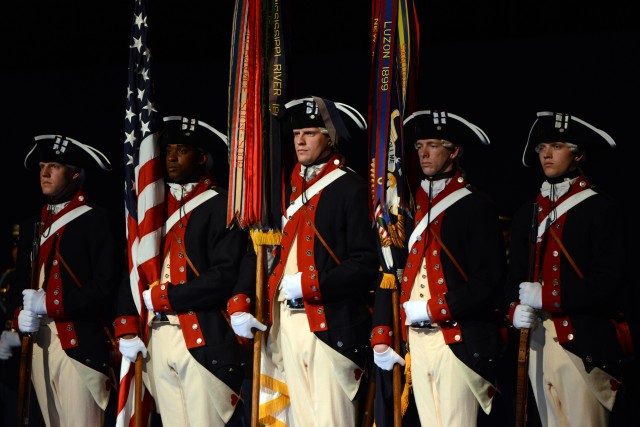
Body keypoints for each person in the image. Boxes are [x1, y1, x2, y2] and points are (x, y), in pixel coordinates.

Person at [227, 96, 379, 426]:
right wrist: (241, 301)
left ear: (331, 137)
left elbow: (365, 264)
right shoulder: (281, 190)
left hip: (330, 325)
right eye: (297, 133)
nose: (300, 140)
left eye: (310, 132)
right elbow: (258, 251)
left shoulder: (351, 188)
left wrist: (310, 284)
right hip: (283, 323)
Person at [371, 110, 506, 426]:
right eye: (419, 146)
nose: (424, 154)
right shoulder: (407, 205)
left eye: (433, 145)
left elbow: (488, 281)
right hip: (416, 341)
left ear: (454, 151)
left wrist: (435, 308)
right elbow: (389, 268)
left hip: (456, 339)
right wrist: (384, 330)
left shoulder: (475, 204)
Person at [115, 115, 252, 426]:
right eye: (168, 150)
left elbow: (224, 275)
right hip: (157, 337)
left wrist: (167, 298)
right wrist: (125, 322)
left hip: (202, 335)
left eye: (182, 150)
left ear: (202, 158)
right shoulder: (153, 208)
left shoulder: (223, 205)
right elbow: (135, 267)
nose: (171, 157)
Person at [506, 111, 631, 426]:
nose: (546, 153)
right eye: (541, 147)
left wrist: (548, 297)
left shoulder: (601, 208)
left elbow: (609, 283)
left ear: (579, 154)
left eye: (557, 145)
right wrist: (512, 309)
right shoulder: (527, 211)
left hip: (581, 344)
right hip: (535, 339)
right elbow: (513, 276)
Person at [14, 134, 120, 427]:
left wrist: (51, 304)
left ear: (75, 174)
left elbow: (105, 285)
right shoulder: (32, 225)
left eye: (54, 166)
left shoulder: (96, 219)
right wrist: (18, 314)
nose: (44, 173)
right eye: (42, 166)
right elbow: (19, 283)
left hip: (79, 342)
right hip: (39, 339)